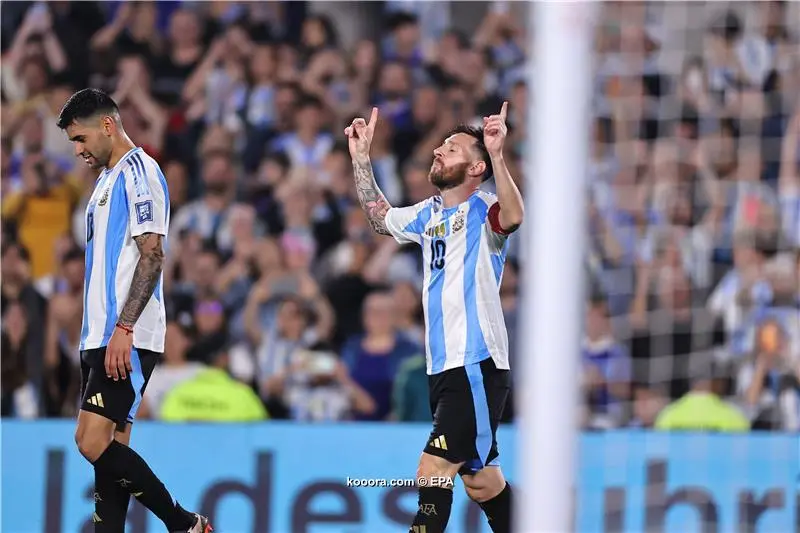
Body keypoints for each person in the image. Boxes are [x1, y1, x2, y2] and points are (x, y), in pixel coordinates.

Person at [344, 104, 524, 533]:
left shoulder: (485, 209)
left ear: (476, 166)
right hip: (441, 367)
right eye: (441, 146)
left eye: (453, 147)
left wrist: (499, 156)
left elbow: (514, 217)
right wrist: (361, 159)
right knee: (482, 484)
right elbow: (379, 218)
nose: (439, 152)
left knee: (433, 468)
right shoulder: (427, 214)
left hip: (475, 363)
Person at [56, 88, 211, 533]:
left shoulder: (138, 172)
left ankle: (184, 523)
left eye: (81, 139)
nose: (79, 150)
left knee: (90, 441)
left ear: (108, 125)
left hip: (126, 335)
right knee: (110, 457)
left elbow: (153, 254)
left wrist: (124, 327)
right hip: (101, 336)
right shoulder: (106, 181)